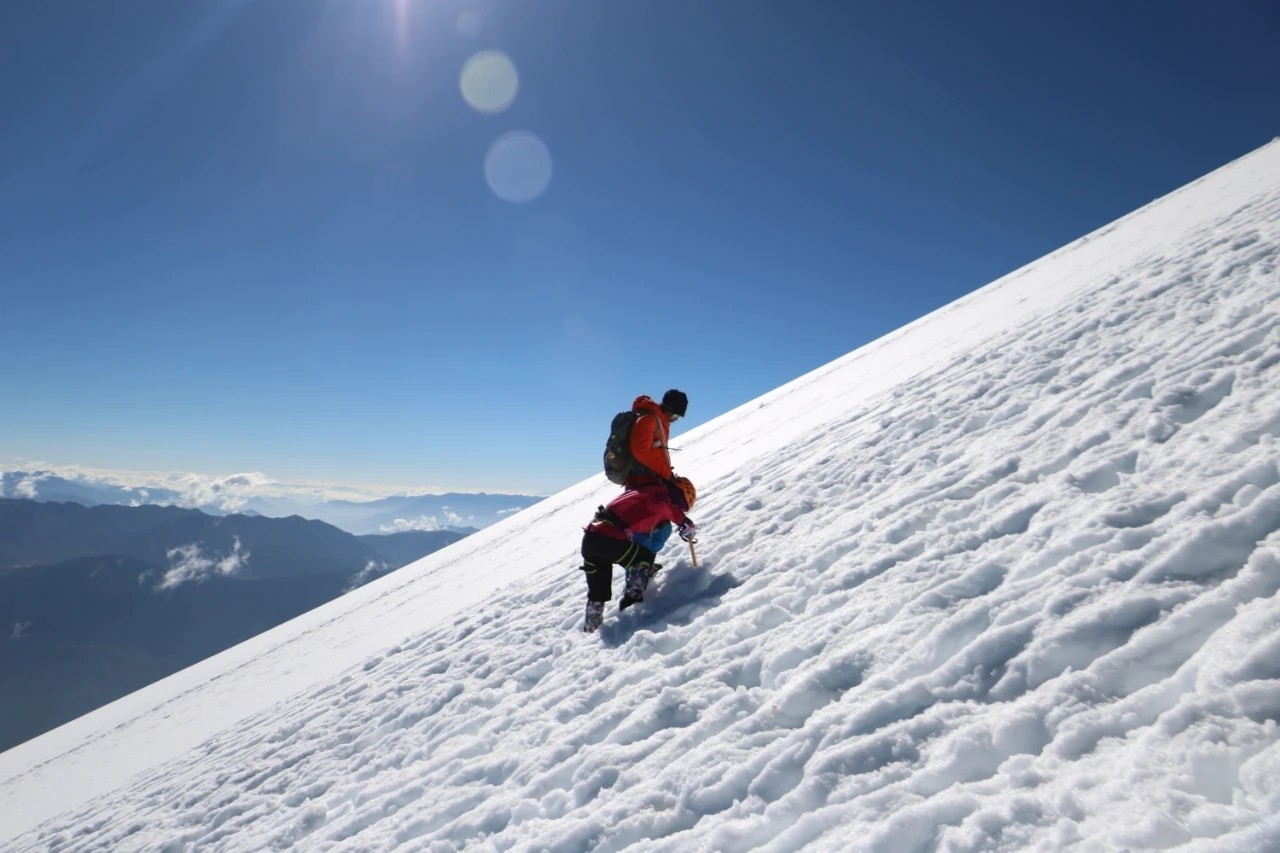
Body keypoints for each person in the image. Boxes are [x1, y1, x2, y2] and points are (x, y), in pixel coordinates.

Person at [579, 476, 697, 633]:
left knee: (598, 593)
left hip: (591, 540)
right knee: (643, 559)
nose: (677, 506)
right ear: (673, 491)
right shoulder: (657, 496)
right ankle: (634, 600)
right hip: (607, 540)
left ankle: (591, 630)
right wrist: (684, 521)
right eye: (679, 501)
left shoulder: (643, 491)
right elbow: (663, 507)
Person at [625, 389, 688, 488]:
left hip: (651, 481)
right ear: (668, 409)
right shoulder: (649, 420)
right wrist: (665, 472)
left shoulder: (660, 423)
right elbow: (640, 451)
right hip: (641, 484)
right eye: (676, 415)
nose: (676, 419)